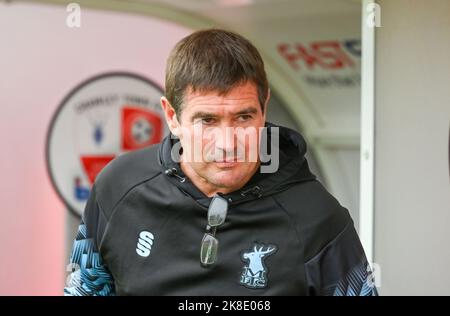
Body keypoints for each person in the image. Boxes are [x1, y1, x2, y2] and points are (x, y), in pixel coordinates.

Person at [64, 29, 377, 296]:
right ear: (172, 117)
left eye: (243, 117)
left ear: (264, 107)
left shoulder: (318, 217)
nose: (228, 144)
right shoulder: (118, 187)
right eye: (207, 120)